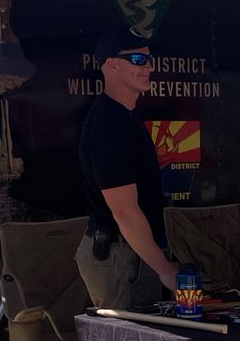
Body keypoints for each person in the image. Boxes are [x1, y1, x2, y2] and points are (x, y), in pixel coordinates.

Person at [75, 26, 178, 310]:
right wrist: (164, 269)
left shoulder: (125, 115)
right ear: (111, 65)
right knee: (130, 337)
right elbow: (124, 211)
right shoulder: (109, 124)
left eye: (150, 59)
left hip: (131, 252)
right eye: (138, 60)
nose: (149, 67)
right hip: (118, 256)